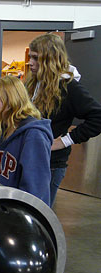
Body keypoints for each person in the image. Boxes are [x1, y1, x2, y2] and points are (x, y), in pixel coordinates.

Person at [26, 33, 101, 205]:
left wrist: (64, 141)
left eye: (36, 58)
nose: (30, 62)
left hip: (50, 163)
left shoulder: (68, 87)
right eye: (30, 57)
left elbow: (97, 117)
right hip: (30, 158)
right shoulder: (33, 84)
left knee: (39, 214)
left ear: (50, 60)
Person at [0, 75, 53, 206]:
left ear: (10, 100)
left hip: (17, 215)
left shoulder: (33, 134)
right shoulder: (6, 130)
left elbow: (35, 190)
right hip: (0, 209)